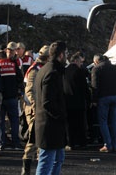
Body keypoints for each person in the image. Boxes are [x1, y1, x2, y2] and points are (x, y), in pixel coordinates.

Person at [34, 41, 68, 175]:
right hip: (49, 125)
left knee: (58, 159)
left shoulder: (46, 69)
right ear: (61, 55)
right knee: (47, 161)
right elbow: (47, 102)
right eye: (66, 53)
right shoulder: (52, 72)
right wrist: (61, 116)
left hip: (52, 125)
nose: (67, 56)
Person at [20, 45, 48, 175]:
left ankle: (39, 167)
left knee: (41, 139)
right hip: (33, 108)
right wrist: (36, 106)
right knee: (34, 138)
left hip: (41, 107)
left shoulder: (43, 68)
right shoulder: (34, 70)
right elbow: (29, 91)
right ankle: (26, 166)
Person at [91, 55, 116, 153]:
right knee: (113, 122)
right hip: (115, 97)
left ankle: (108, 145)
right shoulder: (115, 68)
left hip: (103, 98)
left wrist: (94, 100)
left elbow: (95, 86)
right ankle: (115, 145)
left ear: (96, 61)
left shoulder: (96, 69)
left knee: (103, 121)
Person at [0, 41, 24, 150]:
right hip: (12, 96)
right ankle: (15, 142)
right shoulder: (15, 64)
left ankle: (2, 142)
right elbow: (20, 79)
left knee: (1, 121)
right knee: (14, 121)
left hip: (2, 96)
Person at [63, 51, 89, 151]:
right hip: (79, 101)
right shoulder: (79, 71)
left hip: (68, 101)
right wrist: (88, 99)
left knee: (69, 124)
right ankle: (82, 142)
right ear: (76, 61)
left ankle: (70, 143)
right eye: (80, 62)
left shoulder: (65, 71)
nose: (81, 64)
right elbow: (84, 87)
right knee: (80, 123)